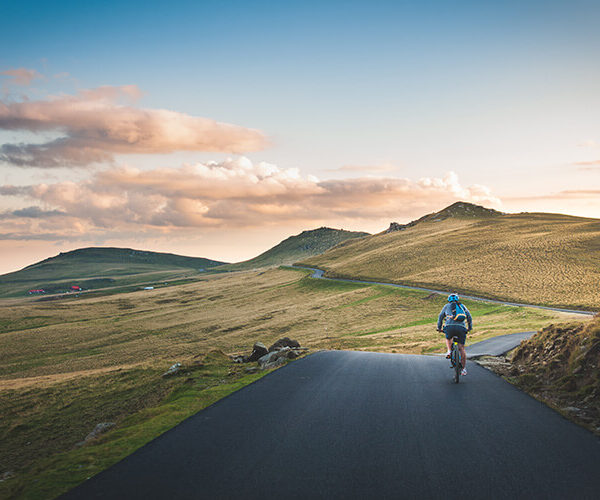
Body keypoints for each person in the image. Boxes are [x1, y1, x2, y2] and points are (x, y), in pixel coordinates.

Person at [437, 293, 472, 376]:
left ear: (449, 300)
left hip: (449, 327)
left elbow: (441, 316)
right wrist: (469, 327)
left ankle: (449, 351)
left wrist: (439, 328)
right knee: (461, 348)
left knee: (448, 338)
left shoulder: (446, 306)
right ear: (457, 299)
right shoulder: (462, 306)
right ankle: (463, 369)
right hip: (461, 328)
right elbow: (469, 316)